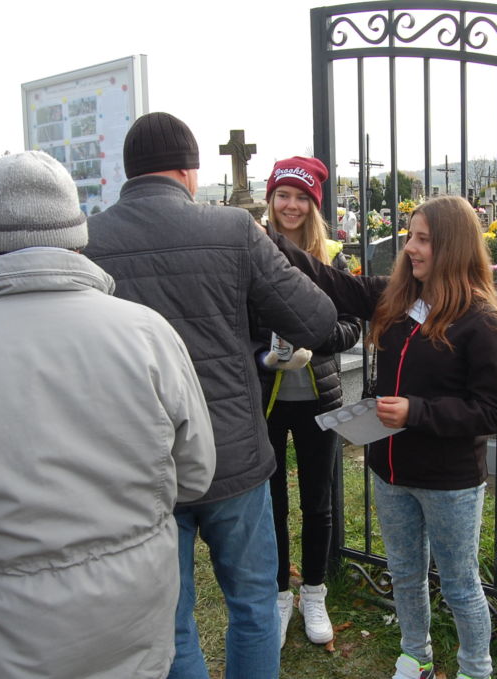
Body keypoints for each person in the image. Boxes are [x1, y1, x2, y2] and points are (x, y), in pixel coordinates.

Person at [0, 150, 217, 679]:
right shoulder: (147, 334)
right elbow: (195, 474)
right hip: (133, 605)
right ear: (77, 232)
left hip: (0, 627)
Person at [84, 112, 337, 679]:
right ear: (189, 171)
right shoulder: (231, 230)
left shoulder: (90, 240)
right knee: (250, 606)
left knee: (171, 620)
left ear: (128, 172)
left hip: (143, 460)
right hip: (232, 456)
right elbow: (318, 319)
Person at [268, 195, 497, 679]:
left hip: (449, 481)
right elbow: (330, 281)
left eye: (423, 240)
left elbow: (491, 410)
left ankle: (475, 669)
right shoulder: (399, 298)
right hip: (391, 471)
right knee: (405, 574)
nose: (410, 248)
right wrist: (266, 241)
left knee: (460, 583)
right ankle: (414, 656)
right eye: (410, 237)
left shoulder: (482, 322)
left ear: (454, 247)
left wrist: (416, 412)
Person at [253, 156, 362, 649]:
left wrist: (311, 345)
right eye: (283, 195)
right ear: (271, 199)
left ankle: (314, 591)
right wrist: (265, 355)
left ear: (313, 204)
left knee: (318, 502)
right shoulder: (252, 251)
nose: (291, 205)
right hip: (269, 397)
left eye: (301, 197)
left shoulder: (331, 256)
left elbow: (352, 325)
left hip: (320, 395)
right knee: (271, 500)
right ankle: (279, 594)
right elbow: (237, 322)